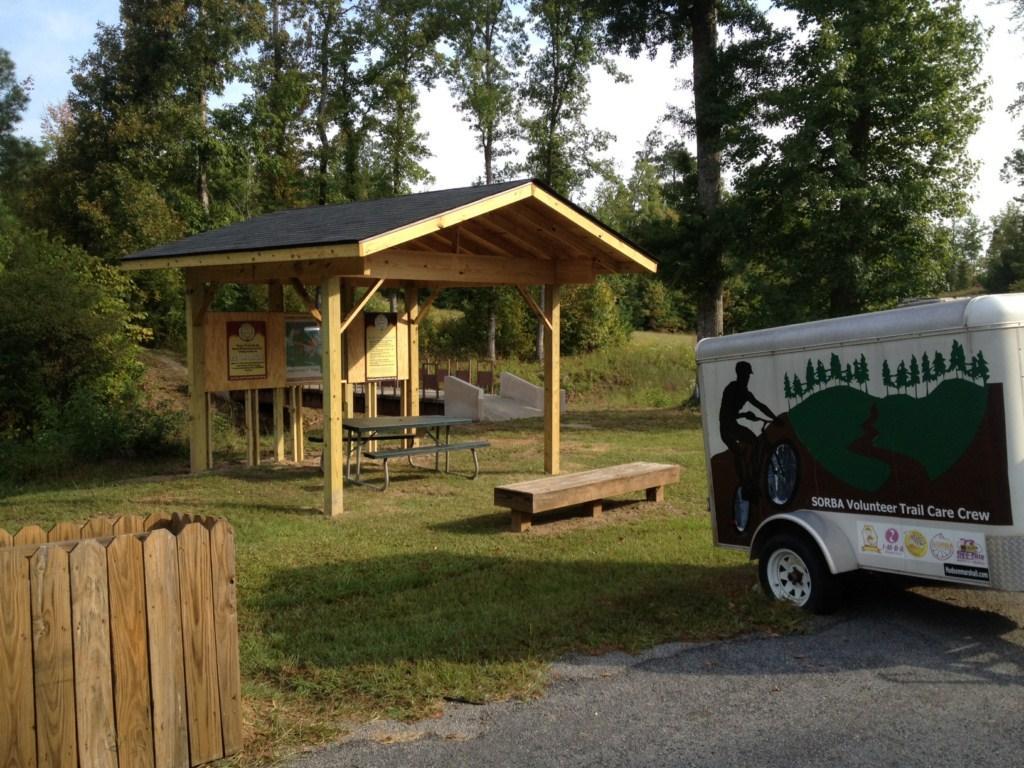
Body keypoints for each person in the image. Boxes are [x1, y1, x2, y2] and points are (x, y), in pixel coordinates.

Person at [718, 361, 776, 530]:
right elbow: (726, 412)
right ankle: (745, 483)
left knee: (756, 442)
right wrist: (744, 414)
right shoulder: (731, 388)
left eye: (748, 375)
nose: (747, 378)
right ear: (739, 374)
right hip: (727, 427)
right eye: (745, 375)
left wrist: (775, 418)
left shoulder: (745, 392)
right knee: (740, 451)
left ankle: (752, 475)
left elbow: (760, 405)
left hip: (734, 424)